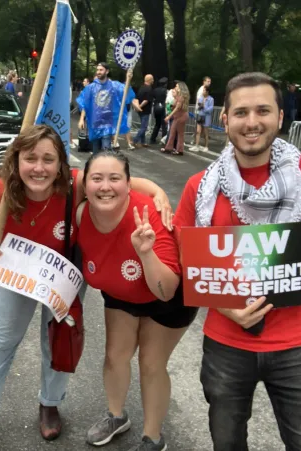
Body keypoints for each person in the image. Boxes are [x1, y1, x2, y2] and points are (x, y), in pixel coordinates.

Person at [174, 72, 301, 451]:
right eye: (240, 112)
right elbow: (186, 256)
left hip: (295, 346)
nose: (251, 122)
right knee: (227, 444)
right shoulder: (200, 187)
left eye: (263, 110)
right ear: (225, 119)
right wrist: (224, 305)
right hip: (225, 344)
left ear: (281, 117)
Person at [0, 125, 173, 451]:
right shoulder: (3, 192)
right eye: (30, 159)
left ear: (61, 163)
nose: (39, 168)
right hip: (16, 273)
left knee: (57, 338)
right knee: (2, 339)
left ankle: (50, 403)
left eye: (48, 159)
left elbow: (129, 183)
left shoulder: (76, 184)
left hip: (64, 274)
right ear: (17, 162)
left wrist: (160, 193)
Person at [77, 151, 197, 451]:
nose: (105, 186)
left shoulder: (148, 216)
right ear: (85, 184)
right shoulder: (81, 214)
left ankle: (153, 438)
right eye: (97, 179)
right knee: (115, 356)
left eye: (115, 178)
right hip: (120, 292)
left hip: (167, 296)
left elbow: (166, 290)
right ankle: (116, 416)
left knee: (150, 363)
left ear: (129, 185)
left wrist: (146, 253)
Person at [77, 63, 135, 153]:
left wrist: (128, 79)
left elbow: (125, 91)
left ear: (107, 71)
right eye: (97, 70)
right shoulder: (91, 88)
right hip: (95, 122)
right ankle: (96, 165)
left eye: (101, 70)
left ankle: (105, 165)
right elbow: (85, 104)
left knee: (106, 149)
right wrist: (81, 119)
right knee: (95, 151)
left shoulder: (114, 85)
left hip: (108, 123)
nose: (98, 72)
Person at [162, 82, 190, 156]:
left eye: (177, 86)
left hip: (180, 117)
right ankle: (177, 149)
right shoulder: (180, 96)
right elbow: (174, 105)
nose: (175, 87)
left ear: (180, 88)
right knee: (177, 133)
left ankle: (172, 149)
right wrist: (174, 97)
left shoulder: (181, 97)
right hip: (180, 116)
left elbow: (177, 108)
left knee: (174, 132)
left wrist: (169, 116)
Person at [132, 74, 154, 148]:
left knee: (142, 125)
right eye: (152, 79)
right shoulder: (149, 89)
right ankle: (135, 140)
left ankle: (143, 141)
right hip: (145, 110)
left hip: (140, 111)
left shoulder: (141, 87)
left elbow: (137, 98)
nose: (153, 80)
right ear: (150, 80)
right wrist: (140, 107)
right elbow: (146, 100)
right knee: (144, 127)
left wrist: (137, 107)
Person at [192, 86, 214, 152]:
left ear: (207, 92)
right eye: (203, 90)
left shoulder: (211, 99)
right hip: (200, 115)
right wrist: (201, 106)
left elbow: (210, 110)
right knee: (198, 131)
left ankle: (206, 146)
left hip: (207, 117)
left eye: (204, 90)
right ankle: (196, 145)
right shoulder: (201, 98)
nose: (203, 92)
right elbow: (199, 106)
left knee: (205, 132)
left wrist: (203, 106)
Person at [150, 77, 168, 145]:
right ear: (165, 84)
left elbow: (153, 98)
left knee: (157, 124)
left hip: (156, 107)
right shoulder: (166, 91)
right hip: (163, 108)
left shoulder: (155, 90)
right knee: (164, 125)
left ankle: (153, 138)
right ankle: (164, 139)